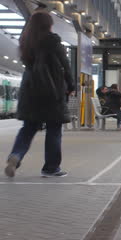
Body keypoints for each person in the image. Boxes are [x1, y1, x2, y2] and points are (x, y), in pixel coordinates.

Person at [4, 10, 74, 178]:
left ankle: (16, 155)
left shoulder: (26, 42)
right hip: (51, 90)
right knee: (54, 129)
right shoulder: (53, 41)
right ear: (48, 25)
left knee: (28, 128)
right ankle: (51, 168)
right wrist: (70, 85)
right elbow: (65, 65)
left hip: (30, 90)